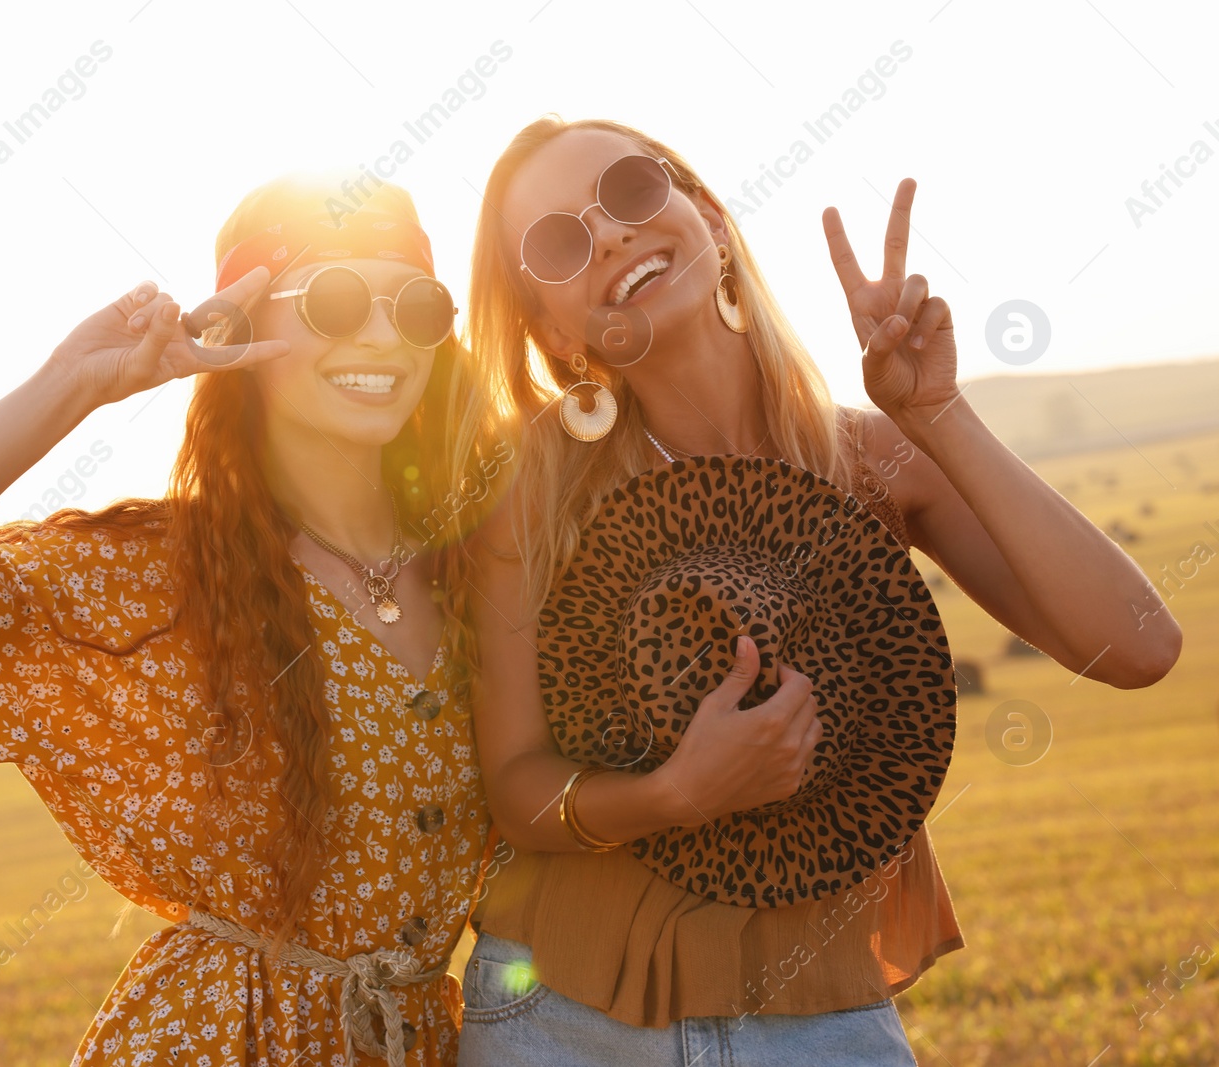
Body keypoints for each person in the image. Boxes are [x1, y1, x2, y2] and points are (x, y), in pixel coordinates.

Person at [453, 115, 1182, 1065]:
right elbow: (516, 788)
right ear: (549, 328)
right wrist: (674, 794)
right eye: (560, 242)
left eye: (631, 191)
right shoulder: (528, 492)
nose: (614, 234)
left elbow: (1137, 644)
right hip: (559, 1015)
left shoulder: (870, 458)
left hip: (820, 1018)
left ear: (709, 219)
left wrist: (936, 414)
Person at [0, 171, 500, 1066]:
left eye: (418, 305)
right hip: (215, 1041)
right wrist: (73, 384)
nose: (382, 334)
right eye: (334, 298)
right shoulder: (166, 575)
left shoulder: (485, 564)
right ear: (239, 330)